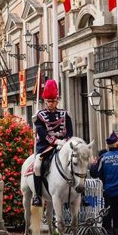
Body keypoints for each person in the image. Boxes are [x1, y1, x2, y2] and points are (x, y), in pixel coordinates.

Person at [31, 79, 73, 207]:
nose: (51, 104)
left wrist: (65, 141)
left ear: (57, 100)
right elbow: (42, 133)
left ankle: (80, 193)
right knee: (37, 166)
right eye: (49, 101)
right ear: (45, 101)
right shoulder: (39, 115)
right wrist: (55, 141)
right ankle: (37, 195)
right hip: (45, 146)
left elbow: (70, 132)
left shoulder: (65, 114)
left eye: (53, 101)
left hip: (63, 145)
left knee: (76, 162)